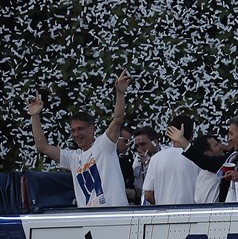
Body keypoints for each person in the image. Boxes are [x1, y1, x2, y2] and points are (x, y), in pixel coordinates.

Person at [27, 71, 131, 208]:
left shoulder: (104, 144)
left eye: (80, 129)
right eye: (73, 130)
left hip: (114, 214)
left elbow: (117, 120)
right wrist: (35, 115)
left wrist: (120, 93)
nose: (76, 134)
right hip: (88, 217)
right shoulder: (73, 158)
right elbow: (42, 146)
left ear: (92, 128)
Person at [143, 115, 200, 205]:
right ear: (192, 135)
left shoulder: (156, 158)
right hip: (191, 212)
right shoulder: (198, 158)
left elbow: (148, 195)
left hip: (163, 211)